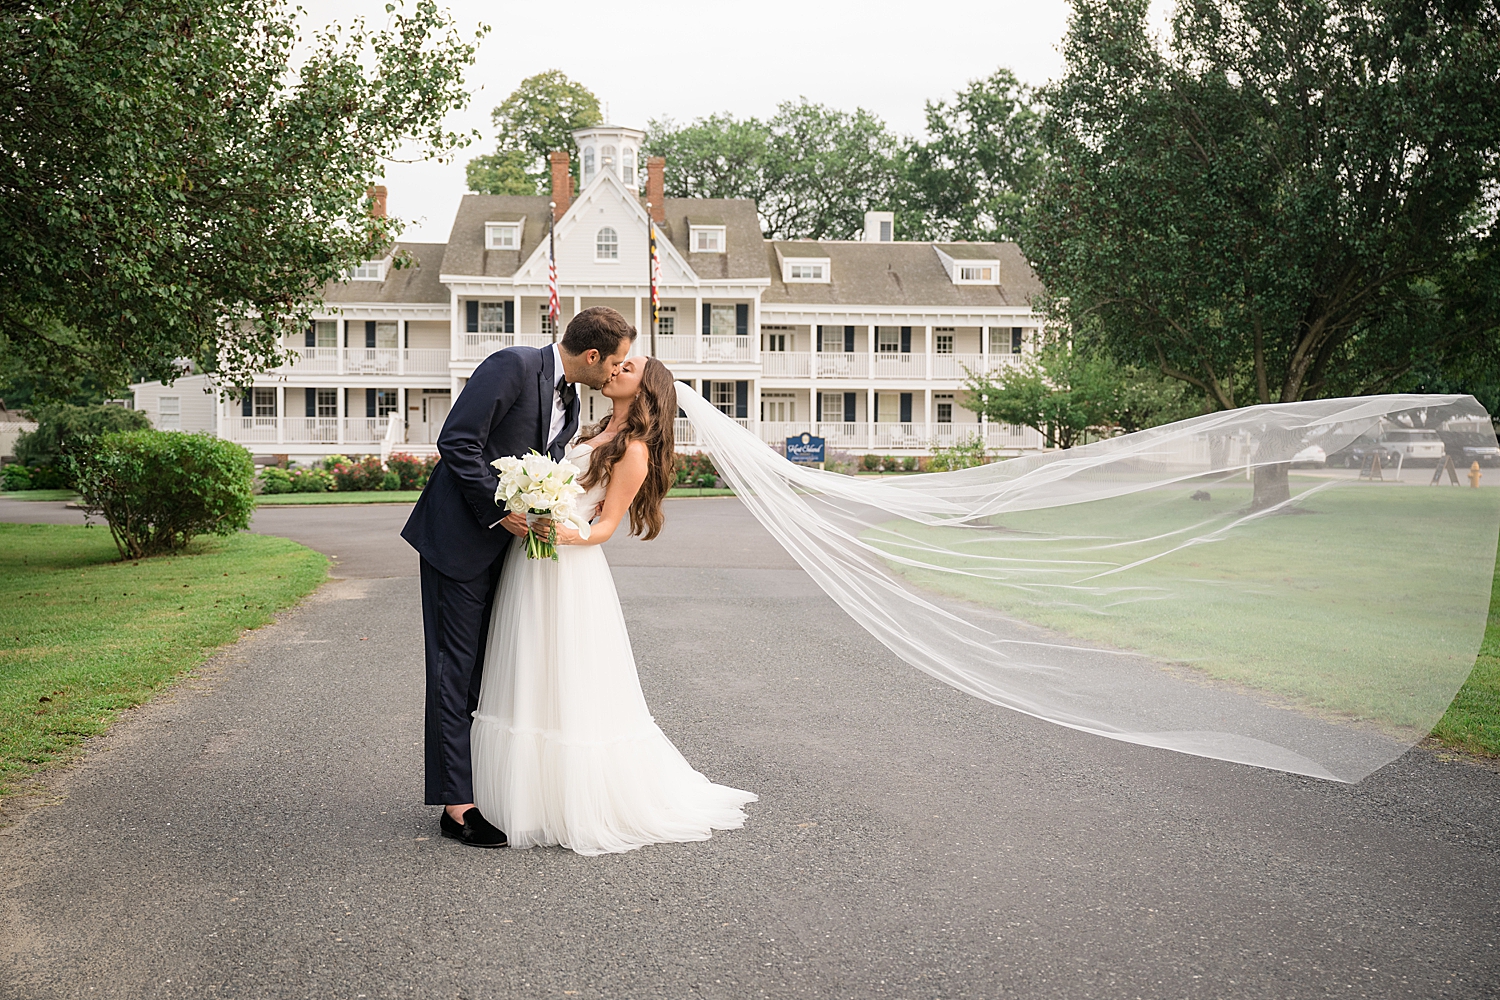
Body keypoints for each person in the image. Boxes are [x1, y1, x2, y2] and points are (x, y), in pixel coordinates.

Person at [470, 356, 757, 855]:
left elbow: (603, 528)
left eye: (630, 367)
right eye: (618, 362)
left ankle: (572, 801)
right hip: (530, 563)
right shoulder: (593, 427)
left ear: (647, 388)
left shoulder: (636, 451)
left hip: (569, 568)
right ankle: (523, 797)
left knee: (568, 676)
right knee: (527, 669)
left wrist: (561, 530)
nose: (617, 369)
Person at [401, 307, 635, 848]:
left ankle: (479, 784)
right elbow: (457, 441)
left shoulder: (573, 402)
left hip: (507, 554)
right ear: (594, 356)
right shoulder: (512, 365)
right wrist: (501, 504)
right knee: (453, 670)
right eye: (616, 362)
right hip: (458, 540)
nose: (616, 373)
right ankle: (457, 807)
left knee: (486, 671)